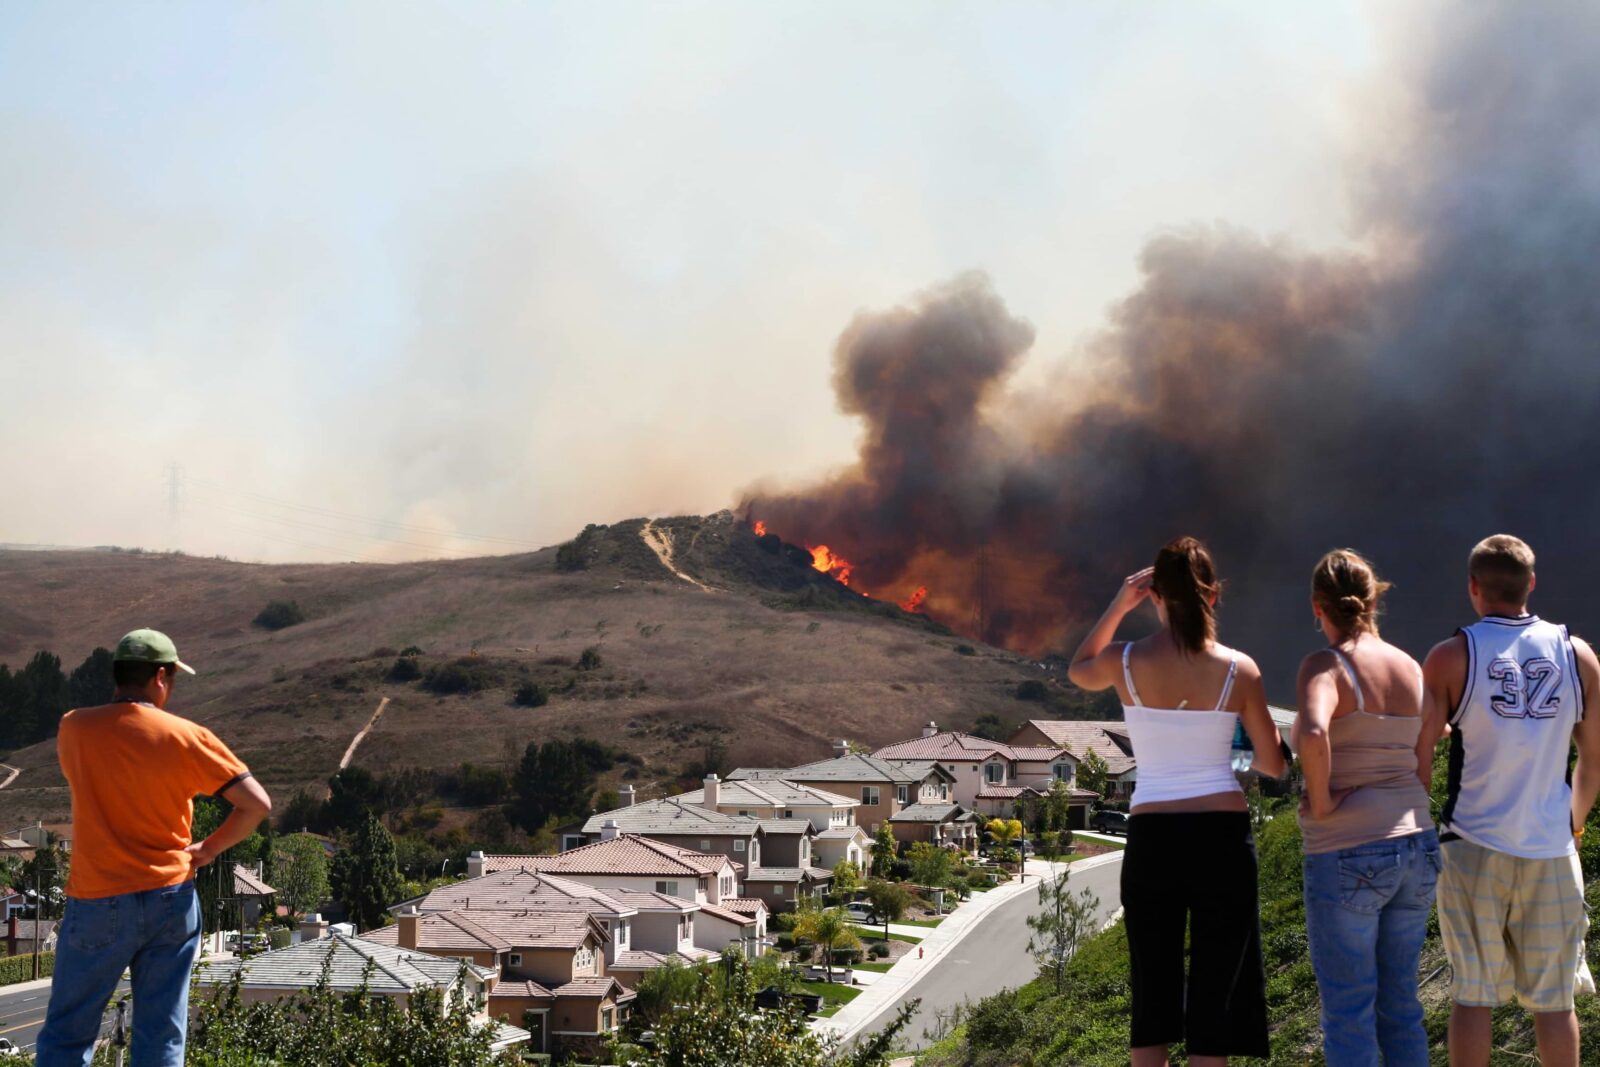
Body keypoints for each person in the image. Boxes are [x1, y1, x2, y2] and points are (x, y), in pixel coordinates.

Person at [1069, 537, 1286, 1067]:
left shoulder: (1124, 662)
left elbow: (1079, 668)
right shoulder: (1241, 669)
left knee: (1153, 996)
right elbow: (1273, 764)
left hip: (1153, 840)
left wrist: (1119, 604)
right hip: (1223, 839)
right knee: (1214, 1001)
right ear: (1213, 596)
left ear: (1155, 596)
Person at [36, 629, 271, 1067]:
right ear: (161, 677)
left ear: (118, 674)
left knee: (67, 1036)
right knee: (161, 1034)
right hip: (171, 898)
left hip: (97, 898)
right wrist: (209, 848)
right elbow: (256, 805)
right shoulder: (187, 736)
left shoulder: (74, 727)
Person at [1420, 535, 1600, 1067]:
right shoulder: (1578, 654)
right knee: (1554, 1002)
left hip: (1473, 844)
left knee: (1473, 997)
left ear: (1473, 588)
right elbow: (1593, 759)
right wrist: (1573, 825)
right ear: (1532, 583)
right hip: (1550, 848)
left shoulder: (1451, 656)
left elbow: (1420, 758)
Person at [1292, 549, 1438, 1066]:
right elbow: (1429, 749)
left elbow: (1312, 732)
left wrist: (1325, 801)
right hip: (1417, 845)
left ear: (1317, 606)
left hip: (1348, 850)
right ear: (1375, 599)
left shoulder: (1325, 666)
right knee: (1401, 1005)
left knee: (1349, 1011)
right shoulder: (1411, 669)